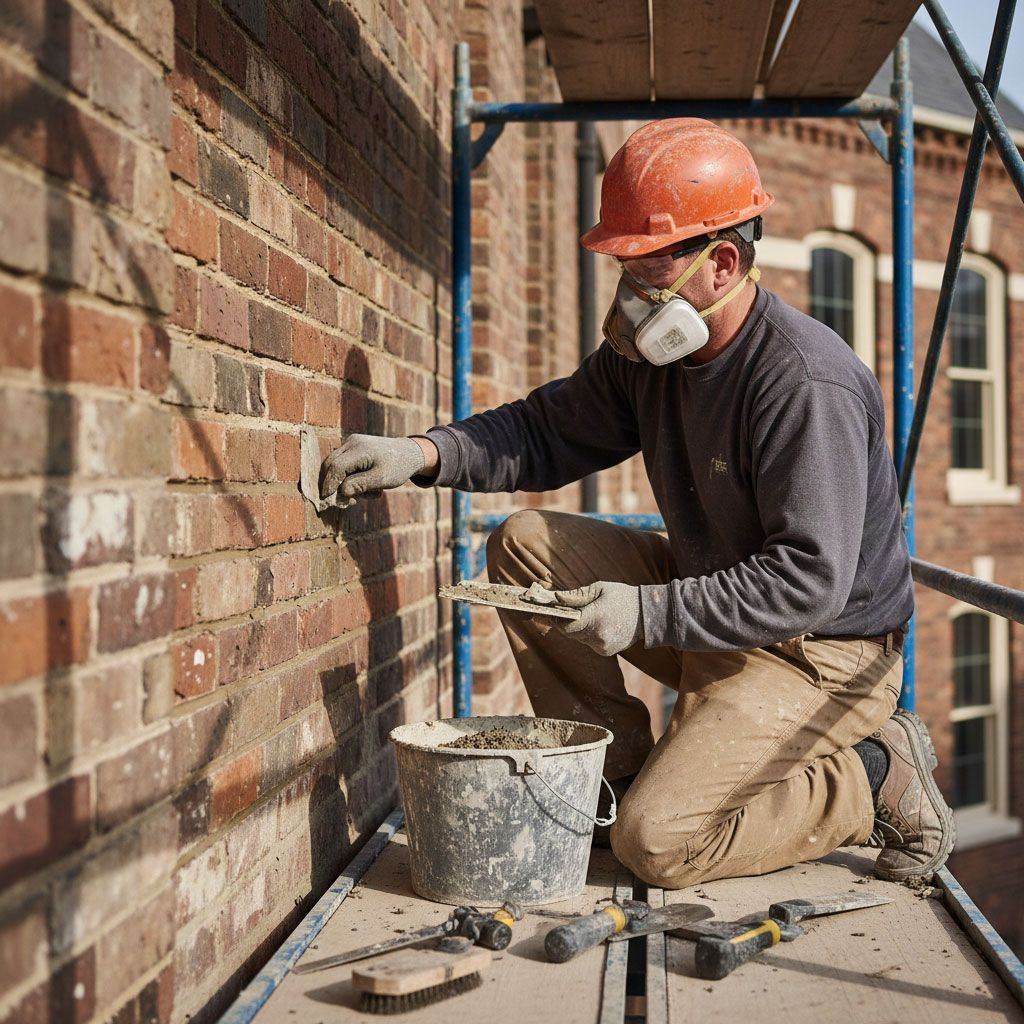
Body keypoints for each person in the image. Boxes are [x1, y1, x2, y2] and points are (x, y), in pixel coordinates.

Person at [320, 119, 955, 888]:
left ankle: (874, 772)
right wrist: (421, 456)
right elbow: (547, 429)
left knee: (657, 845)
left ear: (722, 264)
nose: (629, 292)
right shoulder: (653, 358)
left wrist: (643, 613)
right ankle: (616, 776)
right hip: (717, 600)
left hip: (820, 654)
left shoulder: (803, 384)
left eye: (648, 267)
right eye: (622, 264)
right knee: (524, 545)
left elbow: (804, 583)